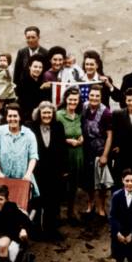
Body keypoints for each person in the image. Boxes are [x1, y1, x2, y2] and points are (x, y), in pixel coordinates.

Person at [31, 101, 67, 240]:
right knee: (37, 201)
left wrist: (64, 169)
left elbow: (63, 149)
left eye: (49, 113)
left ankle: (52, 230)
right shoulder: (31, 127)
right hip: (38, 170)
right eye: (44, 113)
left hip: (54, 171)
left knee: (53, 201)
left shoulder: (58, 126)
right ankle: (35, 230)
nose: (47, 115)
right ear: (39, 114)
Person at [0, 102, 39, 195]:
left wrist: (28, 174)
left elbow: (33, 157)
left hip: (22, 179)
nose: (12, 119)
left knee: (20, 207)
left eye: (15, 116)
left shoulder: (29, 134)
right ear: (6, 117)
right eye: (10, 116)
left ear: (19, 117)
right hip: (3, 179)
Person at [81, 84, 114, 221]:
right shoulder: (84, 107)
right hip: (86, 148)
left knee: (101, 180)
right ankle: (90, 204)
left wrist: (105, 155)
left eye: (97, 96)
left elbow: (110, 135)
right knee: (88, 179)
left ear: (101, 97)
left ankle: (101, 206)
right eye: (92, 95)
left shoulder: (106, 112)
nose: (94, 98)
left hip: (100, 149)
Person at [56, 88, 84, 232]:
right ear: (66, 99)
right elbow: (55, 136)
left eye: (75, 100)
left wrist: (81, 138)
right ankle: (58, 214)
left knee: (74, 185)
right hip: (64, 155)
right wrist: (67, 141)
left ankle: (71, 212)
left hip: (77, 155)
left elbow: (81, 131)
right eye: (70, 99)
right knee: (61, 186)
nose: (73, 102)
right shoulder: (59, 115)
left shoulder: (79, 116)